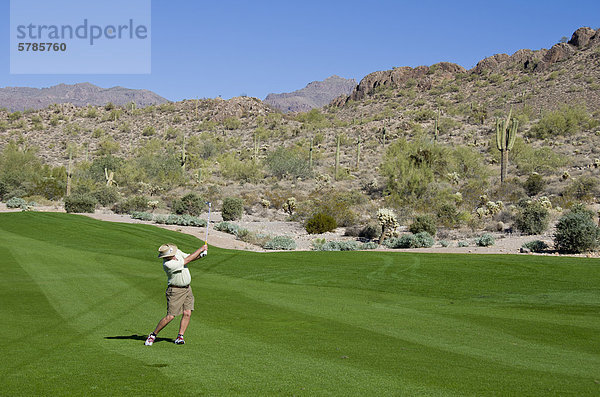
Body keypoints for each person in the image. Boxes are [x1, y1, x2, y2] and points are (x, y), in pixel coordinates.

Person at [145, 242, 207, 346]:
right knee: (170, 316)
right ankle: (153, 335)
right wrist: (200, 249)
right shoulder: (168, 264)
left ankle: (180, 336)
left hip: (187, 289)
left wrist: (201, 255)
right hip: (175, 291)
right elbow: (187, 260)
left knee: (187, 313)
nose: (173, 254)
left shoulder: (177, 252)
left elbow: (188, 257)